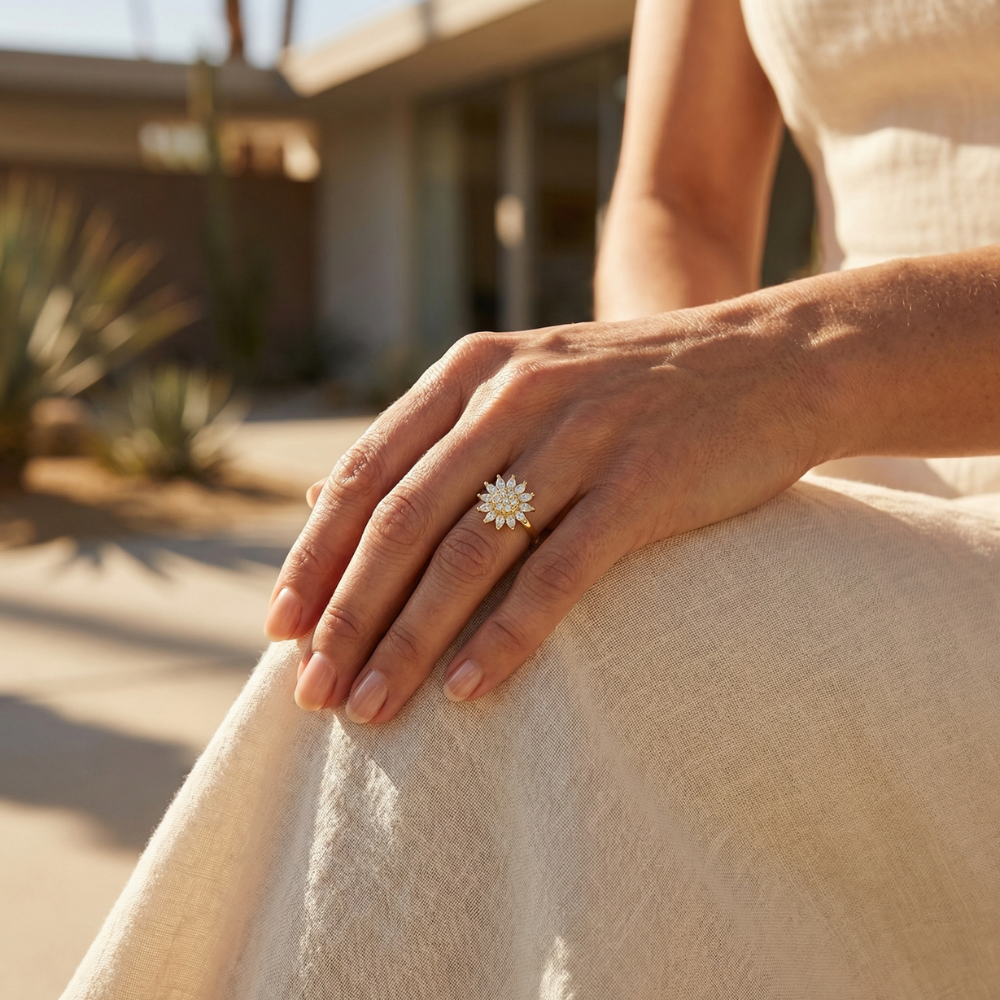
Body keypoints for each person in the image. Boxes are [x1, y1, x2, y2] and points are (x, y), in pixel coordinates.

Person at [63, 0, 1000, 997]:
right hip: (850, 504)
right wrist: (661, 425)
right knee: (496, 597)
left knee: (535, 651)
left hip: (865, 425)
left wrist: (799, 360)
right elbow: (674, 199)